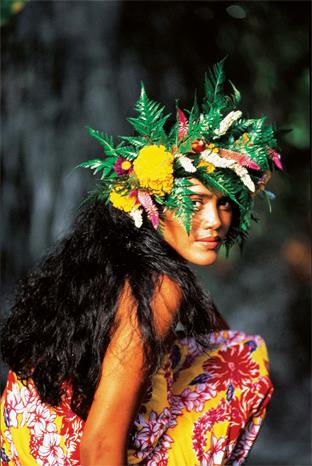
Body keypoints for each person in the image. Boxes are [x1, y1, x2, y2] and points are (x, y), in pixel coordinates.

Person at [0, 61, 282, 465]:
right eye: (196, 202)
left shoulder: (105, 257)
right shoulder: (157, 285)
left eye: (224, 205)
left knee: (228, 349)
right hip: (77, 453)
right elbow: (98, 444)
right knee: (246, 361)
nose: (215, 222)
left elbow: (216, 337)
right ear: (155, 205)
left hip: (27, 437)